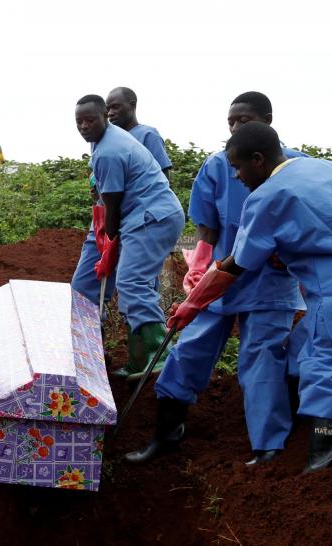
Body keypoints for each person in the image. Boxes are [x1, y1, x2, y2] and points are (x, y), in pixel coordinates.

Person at [169, 121, 332, 473]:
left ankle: (329, 444)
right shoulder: (329, 168)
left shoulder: (266, 198)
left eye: (238, 167)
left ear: (258, 160)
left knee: (325, 358)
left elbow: (234, 265)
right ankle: (301, 422)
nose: (237, 177)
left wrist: (192, 303)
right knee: (301, 350)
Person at [126, 91, 308, 466]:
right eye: (231, 122)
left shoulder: (297, 166)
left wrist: (290, 256)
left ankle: (268, 446)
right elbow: (206, 230)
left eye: (245, 120)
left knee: (261, 360)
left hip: (270, 283)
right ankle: (167, 433)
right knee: (189, 348)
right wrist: (197, 271)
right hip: (219, 280)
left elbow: (308, 224)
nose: (236, 127)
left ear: (268, 119)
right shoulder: (217, 165)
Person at [71, 94, 184, 381]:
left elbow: (113, 206)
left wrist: (109, 241)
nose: (84, 126)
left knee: (131, 281)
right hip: (128, 217)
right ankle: (128, 360)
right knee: (87, 285)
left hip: (150, 217)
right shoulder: (102, 142)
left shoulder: (110, 150)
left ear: (105, 117)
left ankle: (160, 355)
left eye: (90, 120)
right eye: (79, 122)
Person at [105, 87, 172, 176]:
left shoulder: (148, 135)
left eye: (115, 107)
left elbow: (163, 174)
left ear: (132, 105)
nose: (110, 113)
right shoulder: (109, 140)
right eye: (108, 109)